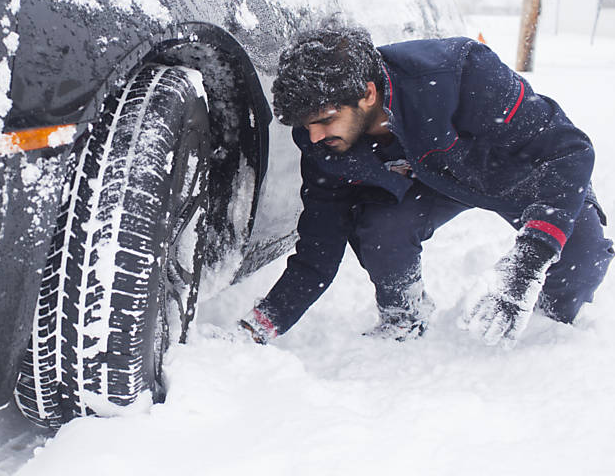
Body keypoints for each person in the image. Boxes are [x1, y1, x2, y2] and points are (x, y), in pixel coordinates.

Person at [239, 26, 612, 347]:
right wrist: (266, 321)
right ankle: (404, 317)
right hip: (433, 182)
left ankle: (549, 325)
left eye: (324, 120)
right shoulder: (322, 140)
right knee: (381, 229)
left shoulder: (461, 73)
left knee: (581, 257)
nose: (314, 135)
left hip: (518, 175)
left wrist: (528, 262)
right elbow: (319, 245)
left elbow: (569, 151)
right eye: (306, 125)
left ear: (368, 93)